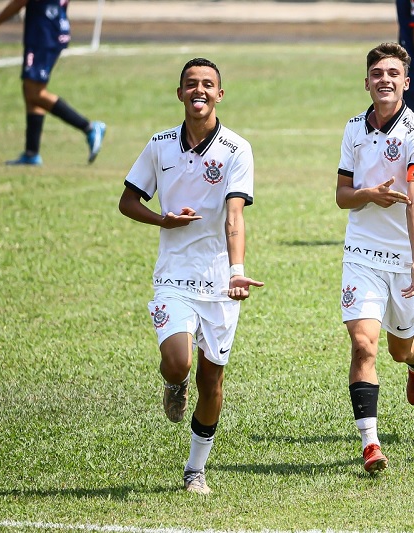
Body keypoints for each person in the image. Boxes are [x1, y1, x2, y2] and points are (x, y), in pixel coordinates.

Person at [118, 57, 263, 493]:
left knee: (212, 379)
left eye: (208, 84)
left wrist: (237, 271)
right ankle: (173, 382)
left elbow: (234, 215)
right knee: (180, 362)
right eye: (190, 84)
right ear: (179, 93)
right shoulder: (160, 145)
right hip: (174, 276)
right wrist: (163, 221)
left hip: (219, 281)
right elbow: (127, 201)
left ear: (220, 94)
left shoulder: (237, 149)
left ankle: (194, 469)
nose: (199, 90)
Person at [336, 42, 414, 473]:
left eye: (393, 73)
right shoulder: (353, 129)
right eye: (377, 73)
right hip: (361, 254)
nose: (385, 80)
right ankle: (371, 444)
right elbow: (342, 197)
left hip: (405, 258)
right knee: (363, 345)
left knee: (399, 349)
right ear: (367, 82)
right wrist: (368, 196)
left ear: (406, 83)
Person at [0, 0, 106, 166]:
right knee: (31, 89)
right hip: (50, 27)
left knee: (35, 92)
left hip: (44, 33)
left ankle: (89, 127)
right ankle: (31, 152)